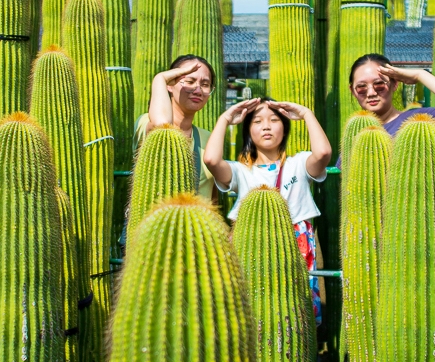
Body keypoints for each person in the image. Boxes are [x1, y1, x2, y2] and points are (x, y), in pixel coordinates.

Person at [203, 97, 332, 325]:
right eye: (257, 121)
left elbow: (322, 154)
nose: (266, 126)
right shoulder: (241, 171)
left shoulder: (299, 164)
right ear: (248, 130)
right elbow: (212, 160)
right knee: (256, 315)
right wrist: (224, 118)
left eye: (274, 120)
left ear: (285, 126)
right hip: (252, 244)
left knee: (295, 317)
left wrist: (306, 114)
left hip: (295, 243)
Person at [133, 55, 217, 200]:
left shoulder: (208, 138)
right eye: (189, 81)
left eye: (205, 84)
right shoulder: (145, 122)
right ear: (169, 84)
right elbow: (163, 125)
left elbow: (213, 196)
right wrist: (160, 78)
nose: (198, 90)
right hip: (156, 221)